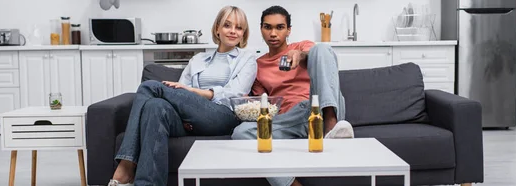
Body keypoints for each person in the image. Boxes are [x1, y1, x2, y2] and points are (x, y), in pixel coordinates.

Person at [108, 6, 257, 186]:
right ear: (217, 28)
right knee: (155, 106)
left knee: (150, 87)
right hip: (190, 119)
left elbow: (235, 94)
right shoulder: (198, 60)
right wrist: (188, 107)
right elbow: (179, 93)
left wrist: (194, 93)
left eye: (239, 27)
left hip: (223, 116)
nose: (233, 31)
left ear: (244, 33)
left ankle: (126, 165)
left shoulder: (247, 59)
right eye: (227, 25)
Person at [231, 5, 355, 186]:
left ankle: (330, 126)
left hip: (317, 107)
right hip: (289, 120)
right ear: (261, 30)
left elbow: (324, 59)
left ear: (288, 30)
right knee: (240, 133)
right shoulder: (258, 65)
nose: (273, 33)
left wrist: (301, 55)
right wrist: (248, 101)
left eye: (279, 27)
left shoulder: (302, 46)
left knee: (321, 49)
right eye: (268, 27)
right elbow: (263, 104)